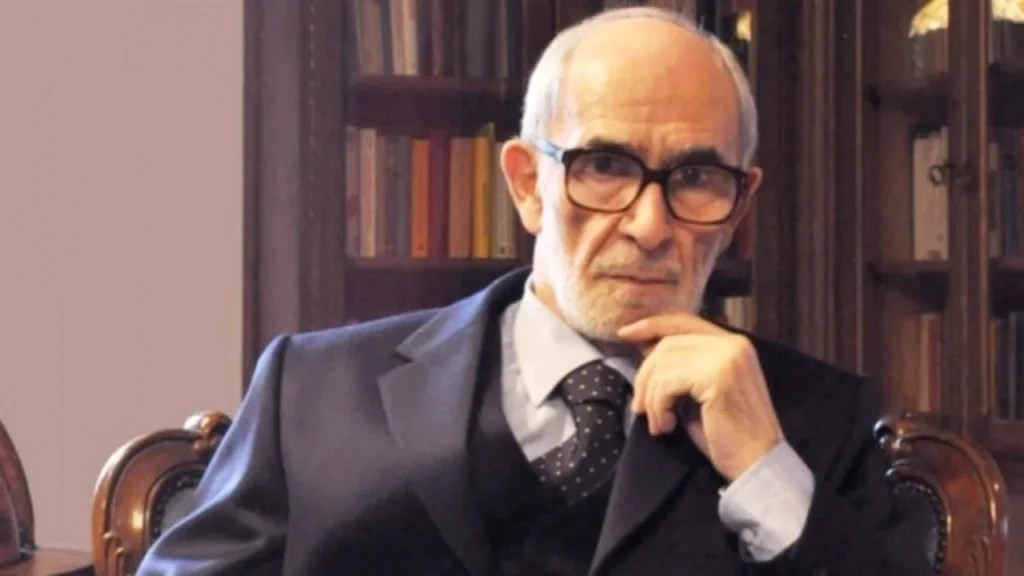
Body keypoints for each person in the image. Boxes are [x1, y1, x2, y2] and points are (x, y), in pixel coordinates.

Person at [138, 6, 931, 576]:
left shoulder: (818, 421)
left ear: (740, 205)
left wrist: (764, 469)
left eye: (695, 177)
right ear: (526, 183)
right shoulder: (314, 389)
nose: (650, 225)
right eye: (604, 167)